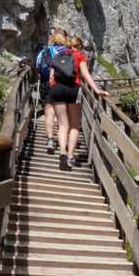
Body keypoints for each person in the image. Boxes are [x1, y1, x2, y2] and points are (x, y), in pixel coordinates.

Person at [49, 36, 110, 171]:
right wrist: (98, 91)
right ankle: (70, 156)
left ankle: (62, 154)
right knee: (75, 125)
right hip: (73, 89)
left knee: (62, 125)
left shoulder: (59, 55)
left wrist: (54, 89)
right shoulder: (80, 56)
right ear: (79, 45)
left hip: (57, 89)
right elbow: (86, 75)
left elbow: (51, 77)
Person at [35, 28, 68, 154]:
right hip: (62, 85)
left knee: (49, 112)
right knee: (60, 114)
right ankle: (62, 140)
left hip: (45, 83)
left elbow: (37, 66)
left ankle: (50, 139)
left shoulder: (44, 51)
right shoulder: (67, 52)